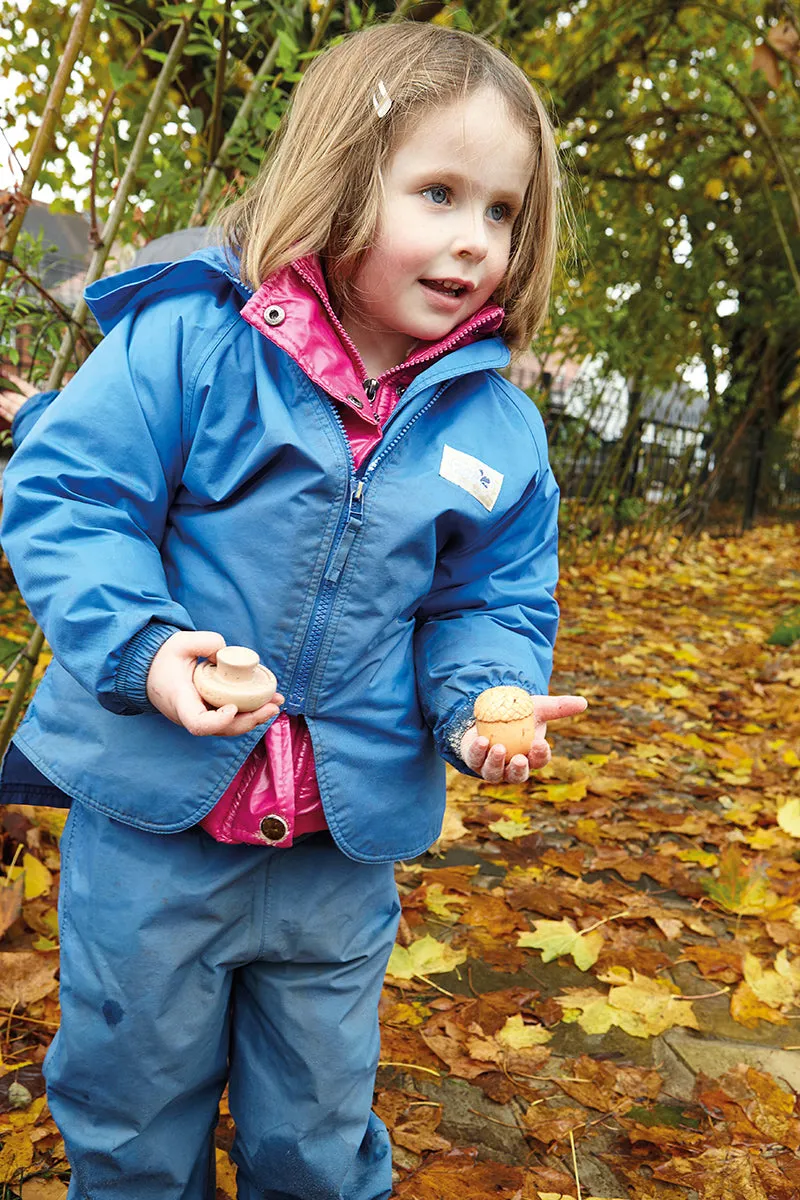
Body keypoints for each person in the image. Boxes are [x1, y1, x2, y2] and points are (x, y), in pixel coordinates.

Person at [1, 21, 587, 1200]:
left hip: (336, 852)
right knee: (128, 1112)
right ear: (340, 175)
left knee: (315, 1132)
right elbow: (74, 496)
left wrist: (482, 704)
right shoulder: (192, 342)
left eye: (501, 212)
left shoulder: (497, 433)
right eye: (438, 193)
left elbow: (484, 600)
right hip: (154, 837)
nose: (473, 241)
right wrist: (149, 648)